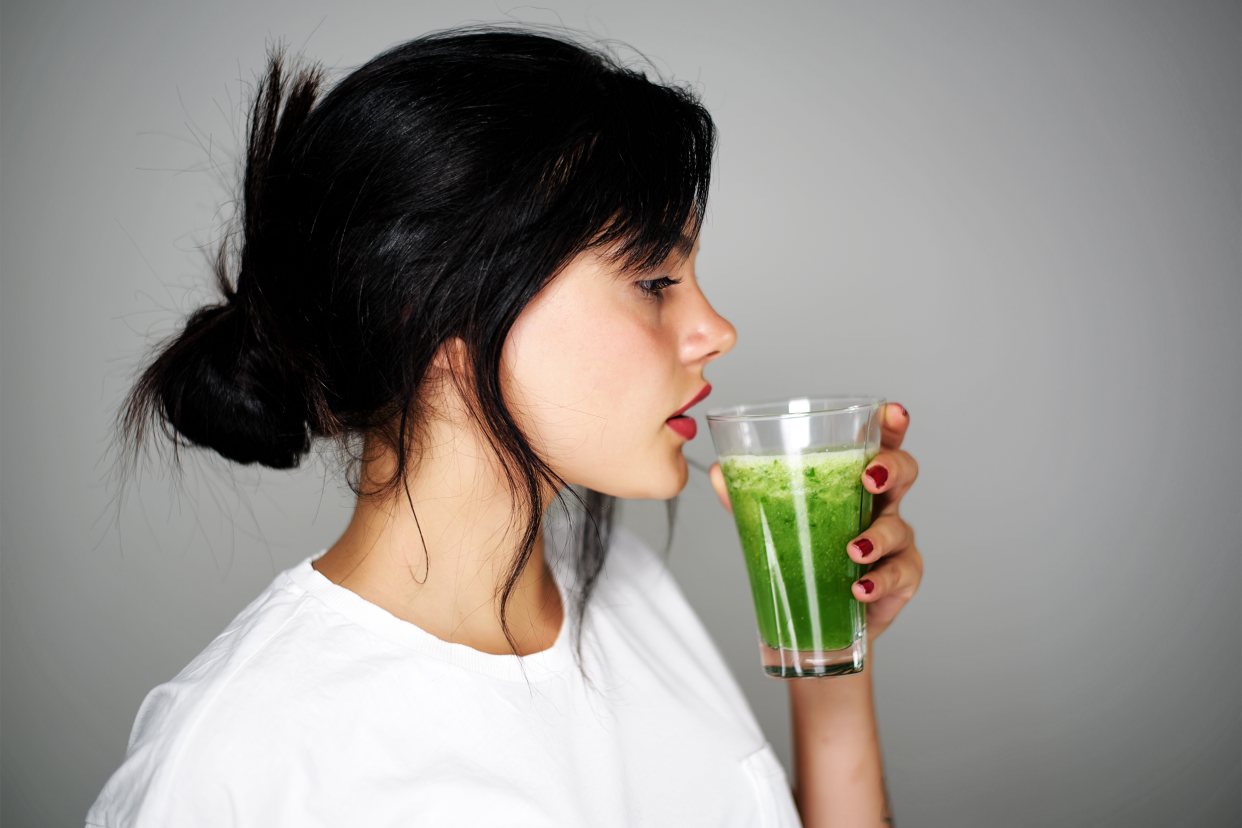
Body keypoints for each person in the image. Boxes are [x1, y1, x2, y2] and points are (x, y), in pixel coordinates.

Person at [88, 26, 922, 828]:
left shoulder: (628, 589)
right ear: (435, 313)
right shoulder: (237, 764)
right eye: (654, 277)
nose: (716, 330)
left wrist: (831, 660)